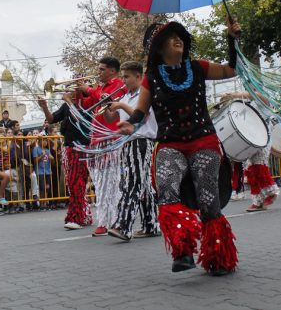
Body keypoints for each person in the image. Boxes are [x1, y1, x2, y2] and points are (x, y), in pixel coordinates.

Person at [118, 20, 240, 275]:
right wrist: (130, 124)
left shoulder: (198, 68)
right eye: (171, 37)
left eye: (180, 36)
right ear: (159, 49)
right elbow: (140, 112)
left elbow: (231, 70)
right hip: (170, 144)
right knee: (167, 191)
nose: (178, 40)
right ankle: (183, 250)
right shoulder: (151, 80)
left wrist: (232, 39)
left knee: (208, 201)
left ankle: (218, 257)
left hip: (203, 142)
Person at [103, 61, 159, 242]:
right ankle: (151, 224)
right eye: (123, 76)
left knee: (132, 184)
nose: (124, 80)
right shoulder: (127, 96)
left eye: (126, 77)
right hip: (128, 143)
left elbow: (140, 113)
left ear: (138, 76)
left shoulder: (145, 94)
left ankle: (123, 226)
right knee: (144, 186)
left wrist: (119, 105)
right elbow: (112, 118)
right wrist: (107, 106)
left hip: (141, 141)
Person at [78, 56, 126, 237]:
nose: (98, 72)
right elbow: (88, 106)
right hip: (97, 138)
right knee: (100, 181)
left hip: (110, 137)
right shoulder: (100, 88)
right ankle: (107, 219)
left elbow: (110, 102)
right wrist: (80, 92)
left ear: (112, 71)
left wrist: (89, 89)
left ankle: (108, 221)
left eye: (101, 69)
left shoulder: (118, 85)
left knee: (110, 182)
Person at [38, 92, 93, 230]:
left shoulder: (87, 104)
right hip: (69, 148)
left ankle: (77, 217)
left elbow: (79, 120)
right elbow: (51, 120)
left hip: (82, 148)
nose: (67, 92)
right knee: (74, 184)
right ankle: (83, 215)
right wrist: (44, 106)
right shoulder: (66, 106)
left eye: (71, 89)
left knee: (77, 184)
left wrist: (69, 101)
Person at [222, 91, 281, 211]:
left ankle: (267, 194)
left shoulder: (263, 102)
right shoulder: (247, 104)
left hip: (263, 138)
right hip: (250, 138)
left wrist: (235, 95)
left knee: (259, 166)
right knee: (251, 169)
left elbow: (259, 95)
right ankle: (258, 201)